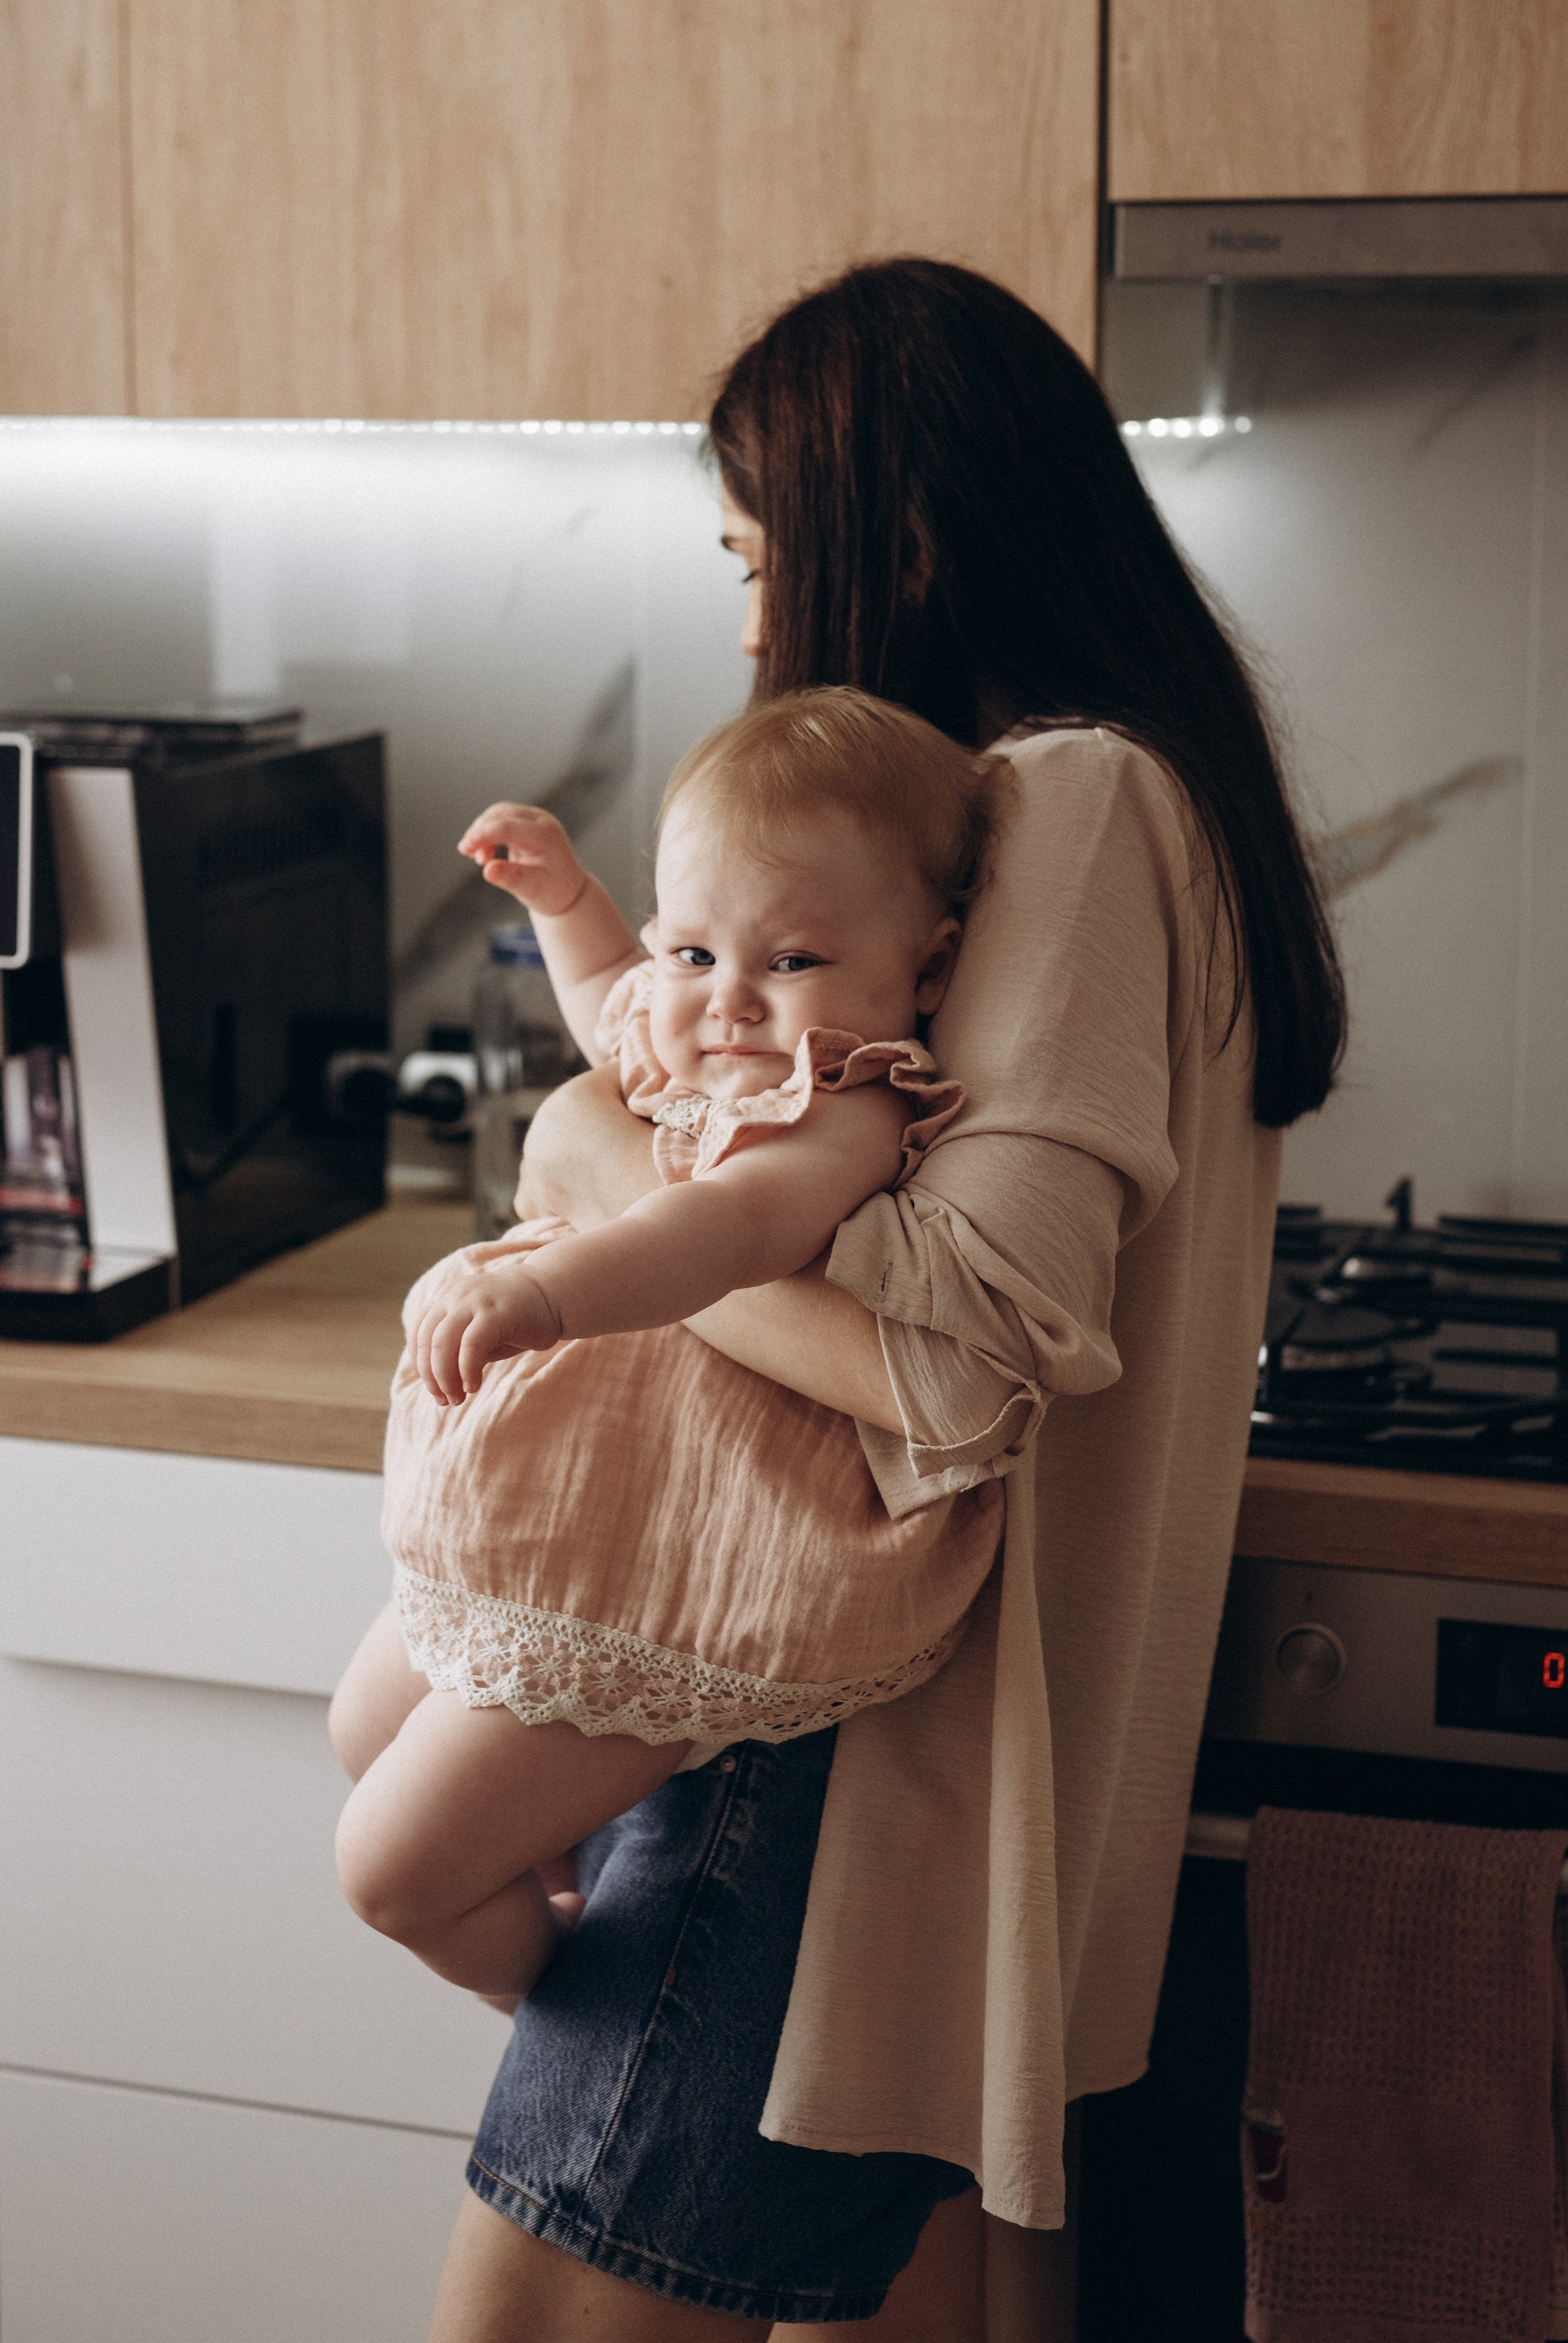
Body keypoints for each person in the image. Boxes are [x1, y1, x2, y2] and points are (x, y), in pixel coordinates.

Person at [422, 258, 1347, 2343]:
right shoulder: (1105, 801)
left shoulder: (1081, 797)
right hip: (867, 1761)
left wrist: (579, 1164)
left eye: (764, 555)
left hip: (832, 1775)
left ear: (891, 531)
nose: (757, 616)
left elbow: (943, 1363)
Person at [329, 689, 1007, 2005]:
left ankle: (565, 2013)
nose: (727, 1004)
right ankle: (559, 1888)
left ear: (925, 970)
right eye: (694, 952)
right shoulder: (694, 1013)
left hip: (688, 1536)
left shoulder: (852, 1101)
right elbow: (607, 1011)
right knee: (359, 1734)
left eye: (790, 961)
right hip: (573, 1505)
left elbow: (724, 1227)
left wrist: (554, 1291)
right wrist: (564, 902)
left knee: (389, 1872)